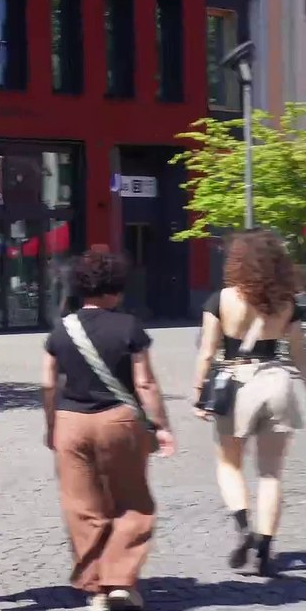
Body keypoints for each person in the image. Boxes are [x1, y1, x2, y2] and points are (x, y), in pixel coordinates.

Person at [42, 249, 175, 611]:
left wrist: (51, 424)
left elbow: (48, 382)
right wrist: (161, 425)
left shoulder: (61, 329)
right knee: (132, 503)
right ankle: (120, 583)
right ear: (115, 289)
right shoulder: (129, 326)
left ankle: (96, 590)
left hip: (70, 422)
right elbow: (144, 383)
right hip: (119, 421)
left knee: (82, 507)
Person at [193, 229, 305, 577]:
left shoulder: (221, 299)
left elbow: (208, 352)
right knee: (271, 472)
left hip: (236, 384)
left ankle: (243, 529)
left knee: (229, 464)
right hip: (277, 382)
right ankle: (264, 549)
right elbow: (300, 353)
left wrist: (199, 393)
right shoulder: (289, 302)